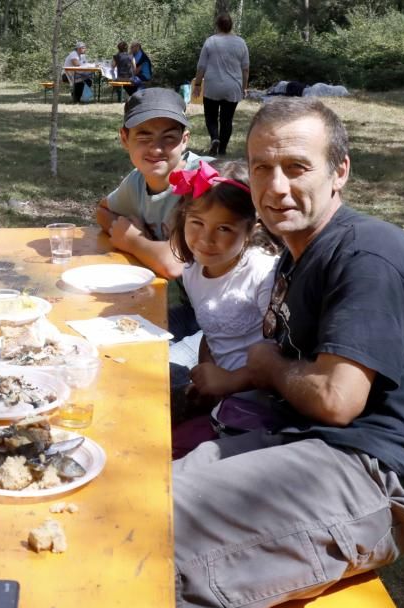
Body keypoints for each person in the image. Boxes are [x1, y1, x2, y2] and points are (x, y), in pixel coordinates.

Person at [173, 97, 404, 608]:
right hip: (304, 446)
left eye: (296, 167)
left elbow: (335, 399)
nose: (275, 186)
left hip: (374, 476)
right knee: (141, 485)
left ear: (340, 171)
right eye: (260, 167)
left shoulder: (368, 256)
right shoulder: (296, 257)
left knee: (155, 529)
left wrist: (265, 366)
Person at [165, 161, 279, 437]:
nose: (206, 239)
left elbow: (282, 353)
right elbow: (212, 331)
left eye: (224, 228)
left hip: (260, 399)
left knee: (172, 445)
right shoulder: (193, 271)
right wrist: (207, 372)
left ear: (252, 228)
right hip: (220, 388)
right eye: (197, 223)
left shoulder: (263, 274)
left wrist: (229, 382)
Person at [95, 87, 207, 283]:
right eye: (144, 137)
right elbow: (102, 211)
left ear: (184, 140)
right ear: (124, 138)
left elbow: (172, 265)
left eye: (169, 137)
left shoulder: (203, 179)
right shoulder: (137, 180)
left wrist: (133, 240)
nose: (156, 149)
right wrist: (132, 229)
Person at [193, 13, 249, 157]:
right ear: (231, 26)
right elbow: (245, 68)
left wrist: (198, 84)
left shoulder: (210, 41)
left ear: (217, 25)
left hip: (213, 86)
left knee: (210, 116)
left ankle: (215, 138)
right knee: (227, 119)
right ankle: (222, 150)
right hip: (233, 86)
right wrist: (244, 87)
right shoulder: (241, 42)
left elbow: (201, 67)